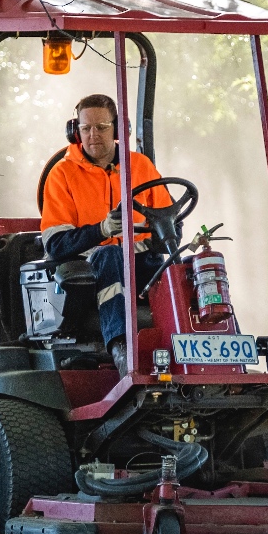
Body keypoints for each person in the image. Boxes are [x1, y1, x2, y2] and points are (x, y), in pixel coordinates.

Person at [40, 93, 173, 374]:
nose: (92, 135)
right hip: (86, 275)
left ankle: (222, 346)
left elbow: (170, 222)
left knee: (187, 267)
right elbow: (56, 243)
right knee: (111, 255)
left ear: (118, 130)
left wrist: (163, 236)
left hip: (140, 264)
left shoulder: (141, 167)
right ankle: (122, 349)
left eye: (101, 127)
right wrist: (101, 230)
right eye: (85, 128)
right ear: (74, 131)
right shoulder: (62, 174)